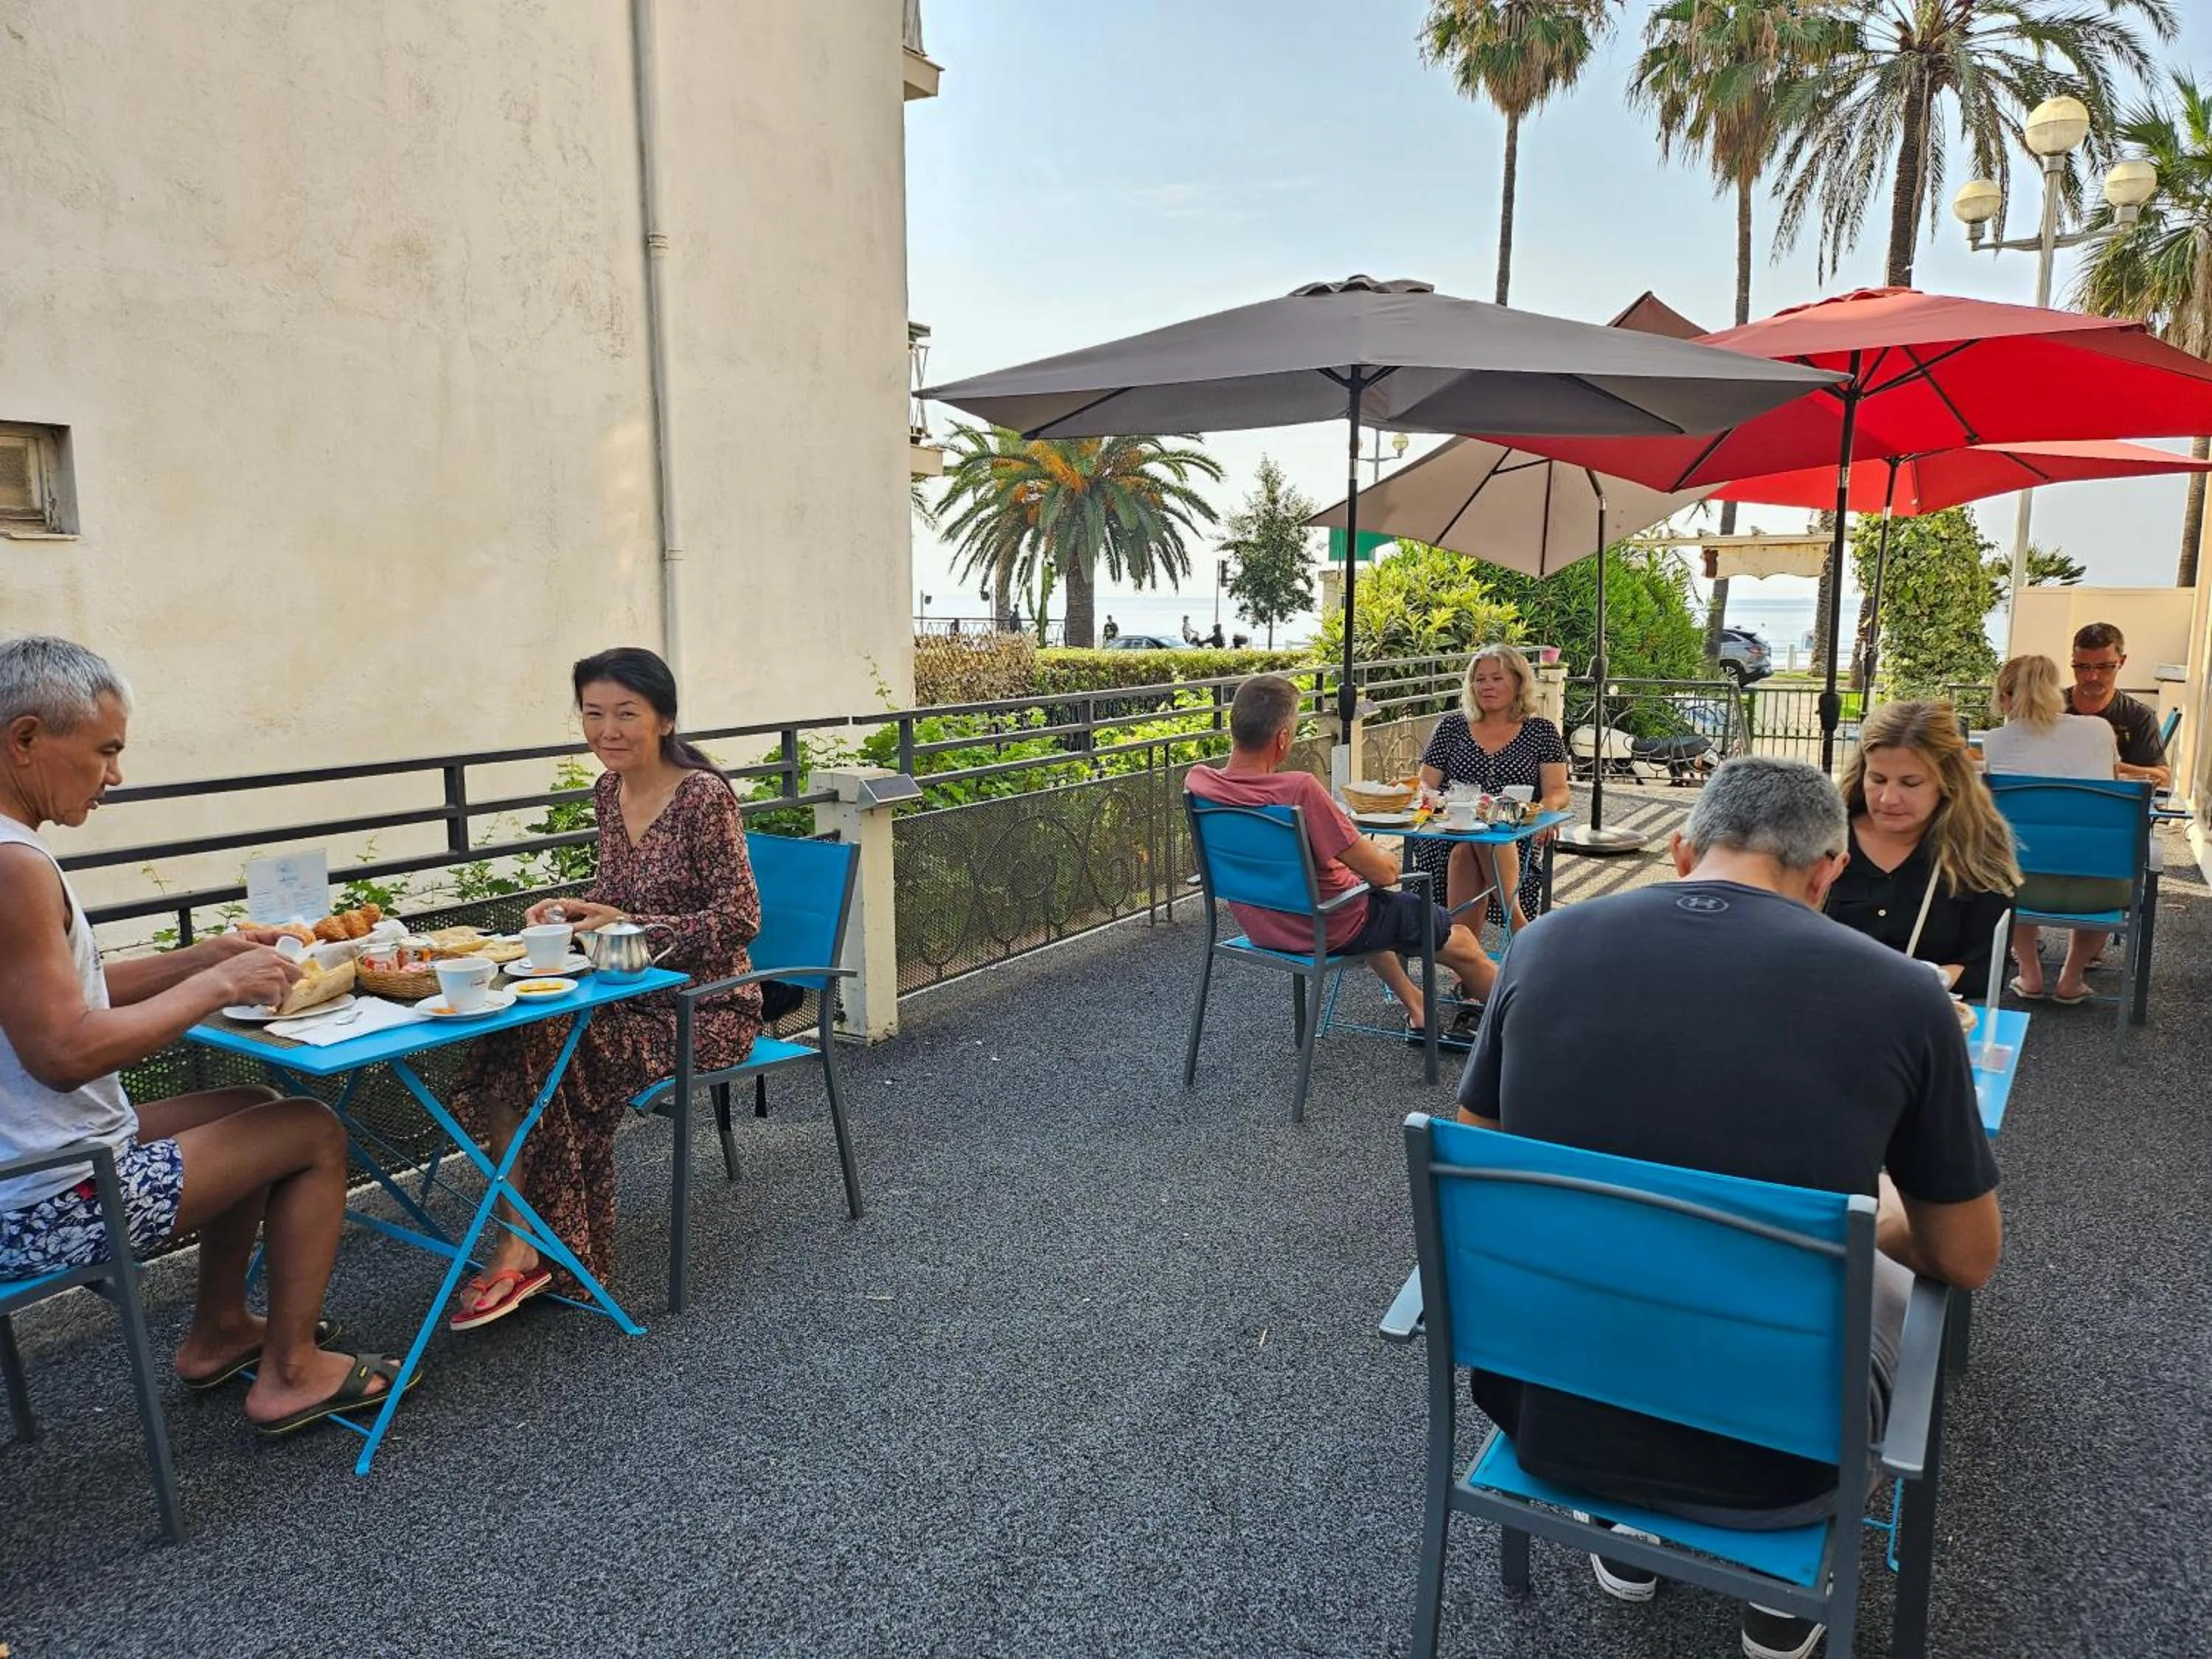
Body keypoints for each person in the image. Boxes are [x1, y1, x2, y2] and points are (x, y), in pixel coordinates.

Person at [1456, 756, 2001, 1659]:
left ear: (1679, 850)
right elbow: (1969, 1255)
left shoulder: (1544, 946)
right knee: (1884, 1273)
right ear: (1827, 871)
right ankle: (1776, 1583)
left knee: (1625, 1245)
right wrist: (1866, 1226)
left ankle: (1628, 1525)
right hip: (1781, 1459)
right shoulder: (1905, 997)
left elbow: (1480, 1167)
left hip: (1553, 1403)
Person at [0, 636, 403, 1435]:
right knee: (313, 1130)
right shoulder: (13, 866)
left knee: (251, 1103)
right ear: (26, 739)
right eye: (106, 749)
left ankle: (220, 1331)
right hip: (51, 1196)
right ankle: (290, 1374)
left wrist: (206, 955)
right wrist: (216, 988)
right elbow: (63, 1053)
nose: (115, 774)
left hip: (32, 1164)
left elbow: (62, 998)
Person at [447, 647, 762, 1328]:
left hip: (702, 1007)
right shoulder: (606, 793)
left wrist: (632, 923)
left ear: (665, 720)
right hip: (623, 993)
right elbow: (619, 901)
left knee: (545, 1055)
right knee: (512, 1043)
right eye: (594, 714)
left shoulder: (703, 796)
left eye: (626, 714)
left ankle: (533, 1249)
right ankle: (531, 1243)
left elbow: (740, 917)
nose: (608, 730)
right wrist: (575, 911)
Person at [1184, 675, 1497, 1034]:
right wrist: (1384, 858)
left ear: (1234, 727)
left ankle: (1419, 1008)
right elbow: (1382, 874)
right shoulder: (1298, 789)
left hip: (1263, 923)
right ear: (1283, 739)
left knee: (1366, 901)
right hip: (1329, 926)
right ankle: (1526, 1019)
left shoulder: (1199, 783)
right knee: (1461, 940)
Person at [1829, 701, 2019, 1002]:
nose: (1889, 798)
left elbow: (1987, 969)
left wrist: (1931, 979)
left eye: (1911, 783)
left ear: (1947, 782)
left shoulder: (1978, 852)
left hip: (1922, 1019)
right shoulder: (1821, 840)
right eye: (1877, 779)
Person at [1983, 655, 2128, 1004]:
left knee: (2011, 858)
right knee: (2094, 853)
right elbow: (2115, 785)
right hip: (2102, 892)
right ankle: (2071, 978)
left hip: (2020, 892)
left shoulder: (1996, 741)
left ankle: (2030, 974)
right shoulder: (2098, 729)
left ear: (2005, 697)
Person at [1412, 644, 1571, 960]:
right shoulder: (1451, 728)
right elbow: (1425, 784)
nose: (1487, 686)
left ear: (1518, 682)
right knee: (1471, 841)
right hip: (1447, 834)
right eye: (1479, 679)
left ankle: (1468, 969)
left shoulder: (1541, 732)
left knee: (1481, 840)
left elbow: (1558, 790)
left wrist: (1547, 814)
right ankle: (1519, 929)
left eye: (1496, 678)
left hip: (1512, 836)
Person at [2065, 622, 2171, 788]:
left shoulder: (2138, 717)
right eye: (2082, 667)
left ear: (2121, 662)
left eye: (2104, 667)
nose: (2092, 676)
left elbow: (2162, 778)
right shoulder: (2047, 708)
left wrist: (2107, 767)